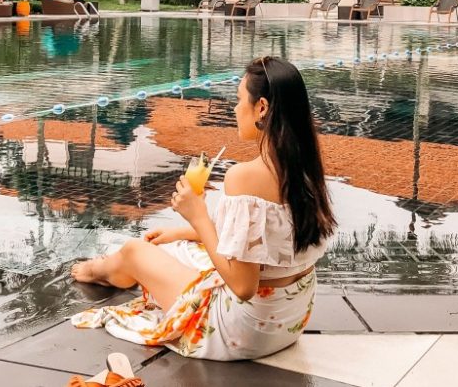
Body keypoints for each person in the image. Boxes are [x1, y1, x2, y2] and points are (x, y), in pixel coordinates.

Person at [70, 56, 335, 361]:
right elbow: (269, 241)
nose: (235, 109)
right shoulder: (306, 168)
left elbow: (243, 286)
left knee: (134, 249)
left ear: (261, 107)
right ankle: (120, 268)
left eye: (238, 100)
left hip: (240, 331)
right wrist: (186, 230)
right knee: (178, 247)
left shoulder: (245, 176)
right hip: (289, 318)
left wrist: (196, 215)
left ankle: (104, 267)